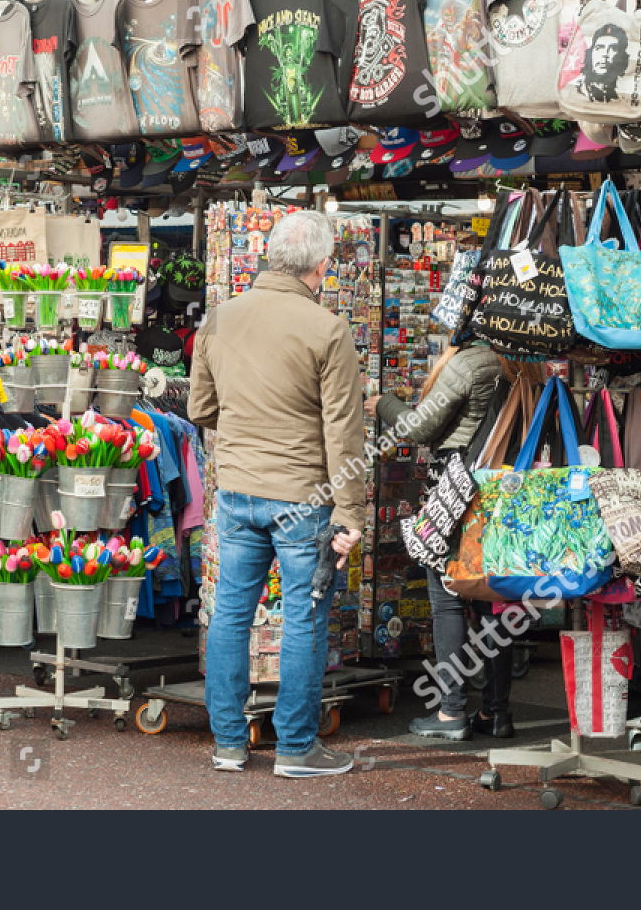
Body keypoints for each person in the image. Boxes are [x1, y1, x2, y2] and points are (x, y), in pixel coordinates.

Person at [190, 211, 365, 777]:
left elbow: (200, 408)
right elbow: (344, 429)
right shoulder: (327, 329)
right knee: (304, 617)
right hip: (302, 496)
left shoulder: (220, 318)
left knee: (231, 616)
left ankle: (228, 743)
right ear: (322, 265)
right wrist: (350, 511)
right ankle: (294, 747)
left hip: (237, 489)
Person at [367, 344, 541, 741]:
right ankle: (496, 713)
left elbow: (420, 427)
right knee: (492, 598)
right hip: (506, 490)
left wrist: (385, 404)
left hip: (461, 489)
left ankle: (451, 713)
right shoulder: (529, 362)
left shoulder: (470, 361)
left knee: (446, 596)